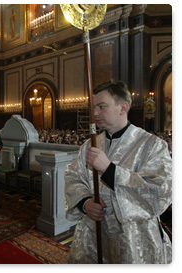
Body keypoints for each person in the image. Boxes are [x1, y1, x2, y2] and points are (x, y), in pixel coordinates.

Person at [65, 81, 172, 263]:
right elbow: (74, 176)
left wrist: (110, 170)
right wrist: (85, 203)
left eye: (101, 107)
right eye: (93, 107)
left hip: (133, 238)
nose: (95, 113)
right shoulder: (89, 145)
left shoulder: (152, 145)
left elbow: (159, 193)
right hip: (93, 235)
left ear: (123, 107)